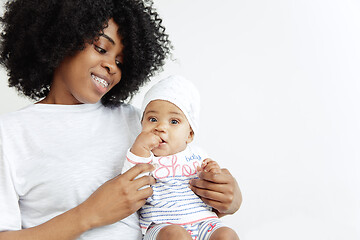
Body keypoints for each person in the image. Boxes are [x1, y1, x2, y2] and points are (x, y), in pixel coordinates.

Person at [0, 0, 242, 239]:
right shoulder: (9, 134)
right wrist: (88, 215)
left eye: (120, 62)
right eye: (101, 48)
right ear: (61, 38)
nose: (111, 67)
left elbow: (179, 201)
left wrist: (228, 198)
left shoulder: (139, 123)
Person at [121, 75, 240, 240]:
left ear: (190, 134)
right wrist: (140, 149)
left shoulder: (197, 155)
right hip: (162, 226)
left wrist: (213, 172)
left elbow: (213, 185)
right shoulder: (144, 156)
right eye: (152, 119)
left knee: (227, 234)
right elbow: (130, 187)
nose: (161, 127)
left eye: (174, 121)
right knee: (175, 236)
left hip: (204, 222)